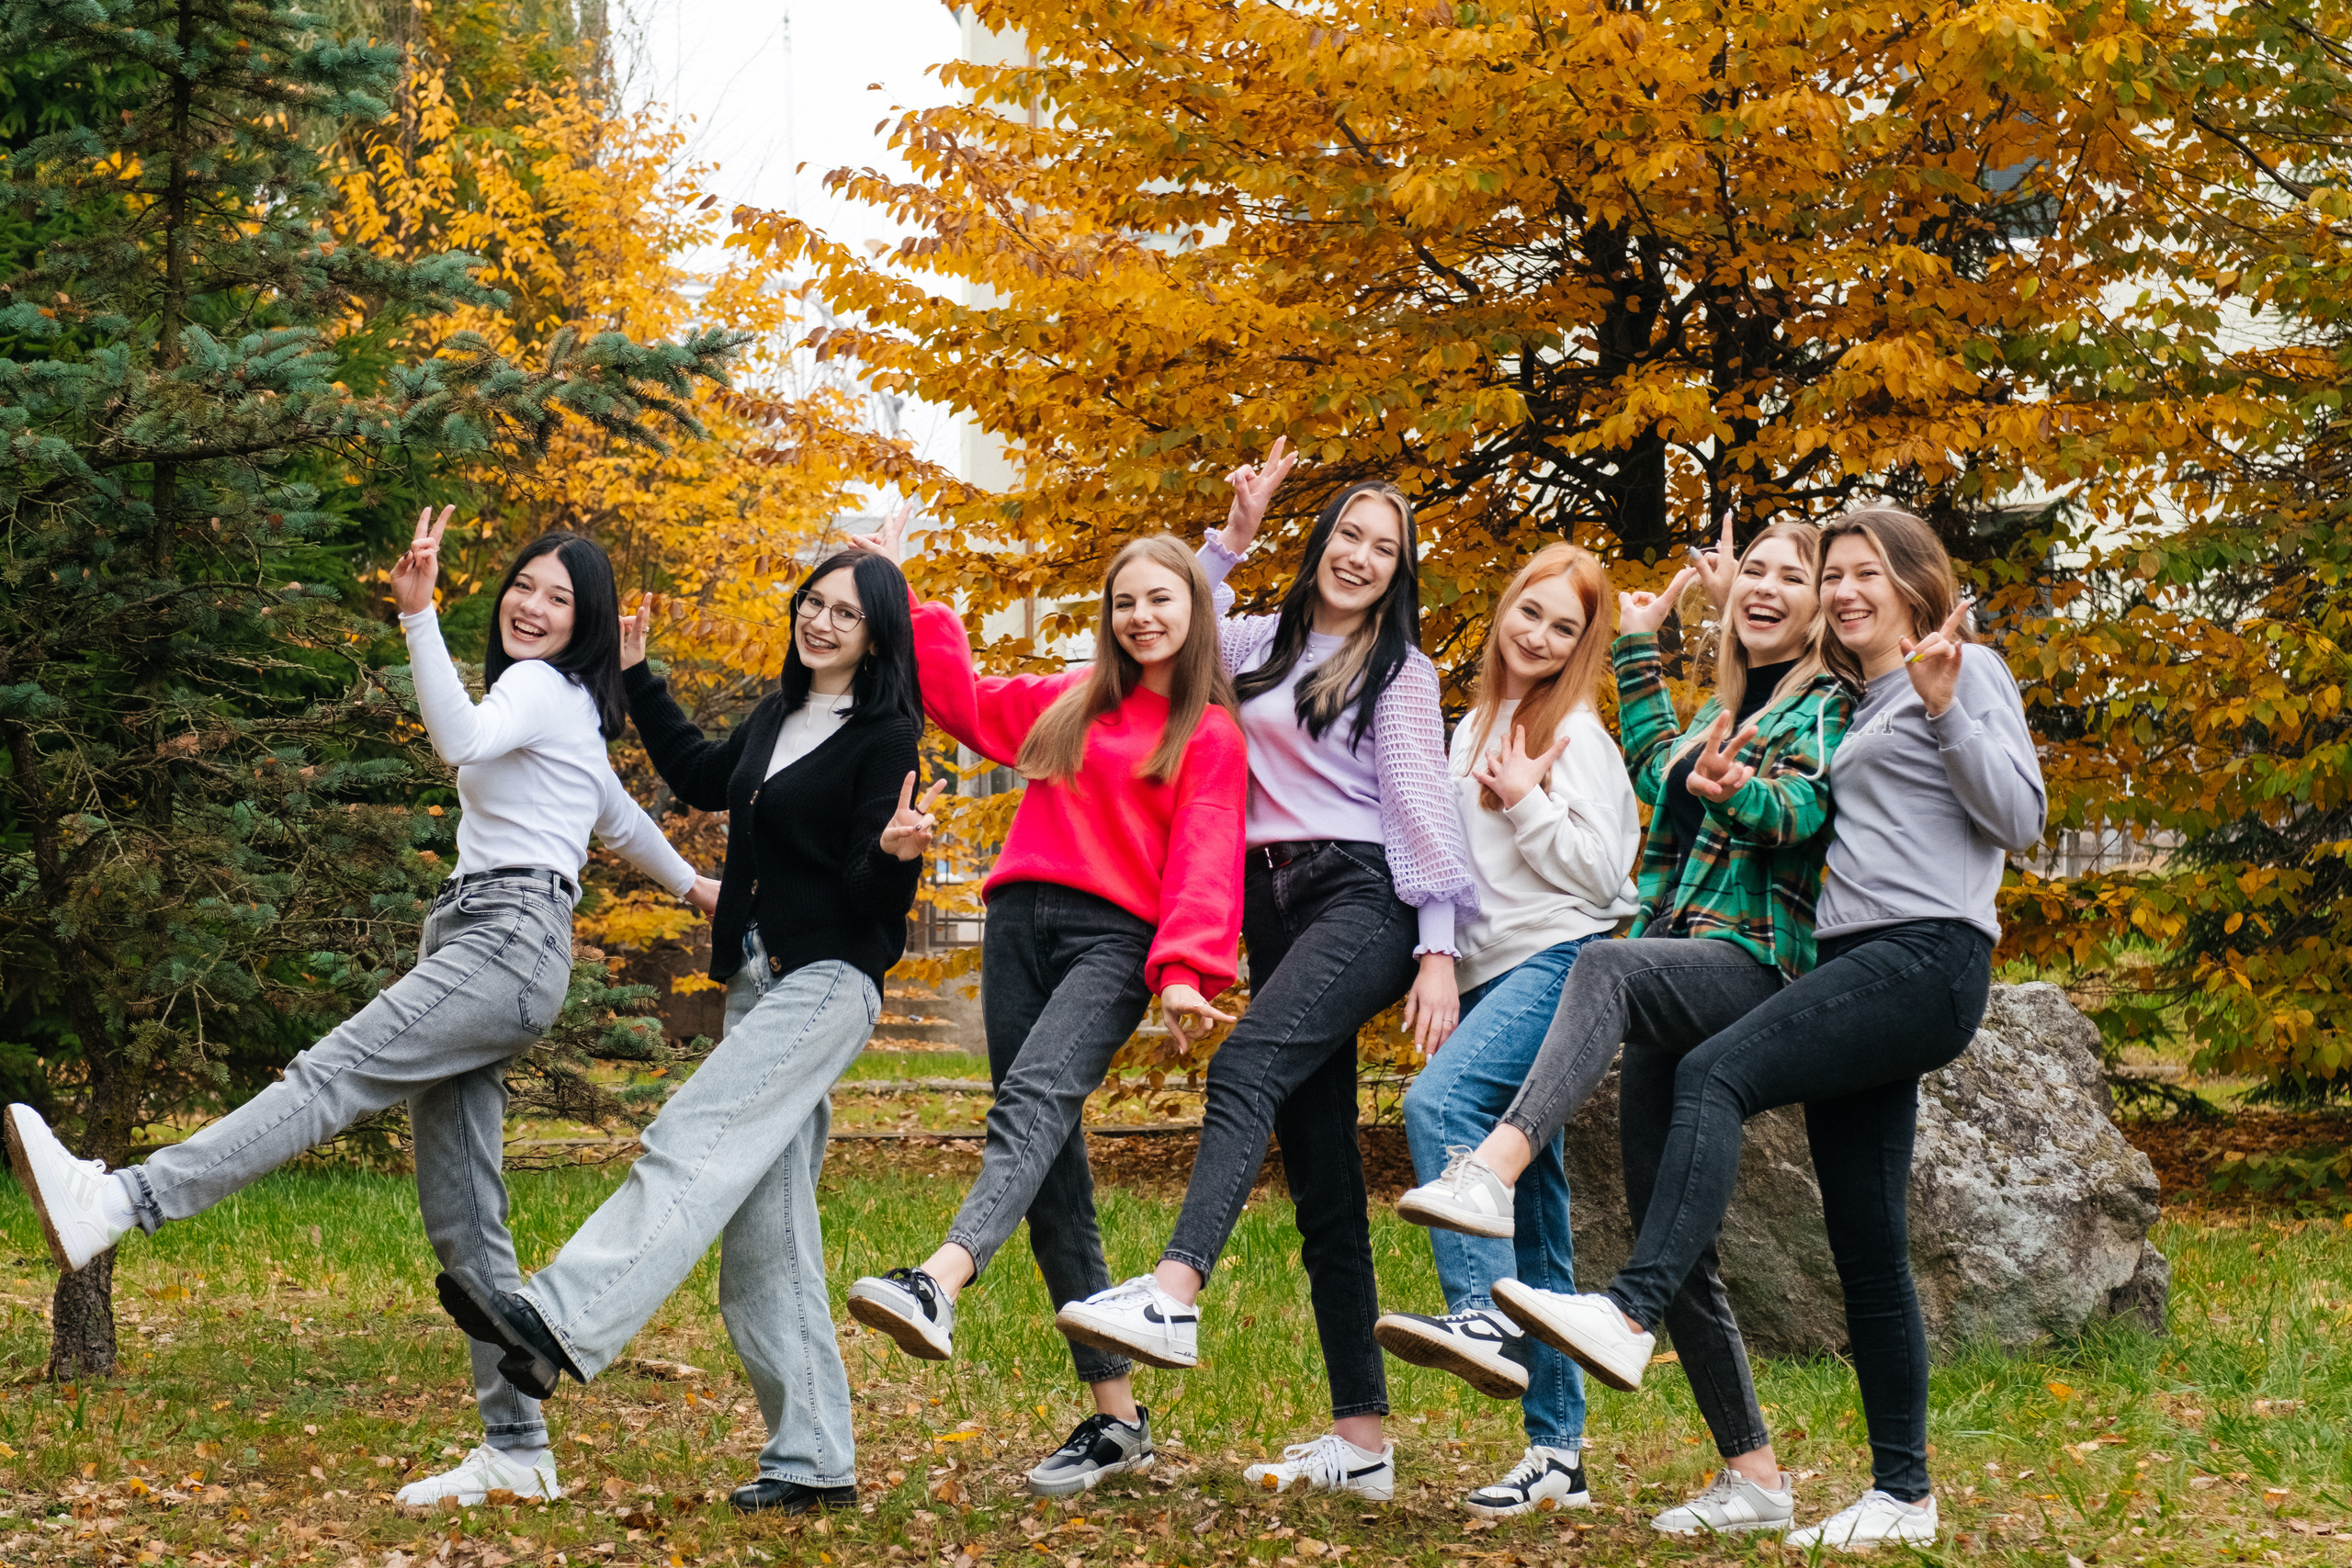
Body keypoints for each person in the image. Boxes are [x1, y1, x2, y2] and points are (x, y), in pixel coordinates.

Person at [4, 510, 718, 1507]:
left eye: (559, 598)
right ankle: (518, 1454)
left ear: (583, 624)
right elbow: (615, 813)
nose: (532, 605)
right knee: (468, 1223)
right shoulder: (570, 713)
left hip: (502, 940)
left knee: (327, 1076)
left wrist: (417, 618)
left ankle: (121, 1203)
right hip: (494, 943)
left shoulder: (535, 691)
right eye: (525, 585)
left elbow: (457, 737)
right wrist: (699, 889)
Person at [1489, 507, 2044, 1551]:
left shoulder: (1962, 673)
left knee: (1713, 1072)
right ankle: (1904, 1494)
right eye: (1833, 575)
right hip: (1854, 964)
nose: (1843, 591)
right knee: (1866, 1244)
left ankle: (1629, 1307)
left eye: (1862, 572)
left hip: (1925, 956)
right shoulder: (1855, 696)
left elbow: (2018, 820)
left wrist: (1947, 711)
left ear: (1916, 581)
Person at [428, 548, 939, 1516]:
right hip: (756, 984)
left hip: (825, 981)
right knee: (766, 1234)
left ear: (876, 638)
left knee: (691, 1138)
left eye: (846, 615)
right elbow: (703, 779)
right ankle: (814, 1460)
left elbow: (872, 902)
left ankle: (560, 1321)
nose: (821, 623)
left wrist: (896, 855)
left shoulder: (886, 736)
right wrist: (633, 677)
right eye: (813, 603)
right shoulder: (780, 717)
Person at [1394, 511, 1850, 1536]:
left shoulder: (1825, 703)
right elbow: (1659, 767)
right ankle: (1743, 1476)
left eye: (1794, 574)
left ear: (1824, 605)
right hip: (1665, 971)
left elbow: (1798, 814)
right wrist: (1646, 646)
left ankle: (1486, 1208)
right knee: (1667, 1247)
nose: (1769, 586)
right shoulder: (1720, 706)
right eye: (1756, 573)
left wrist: (1738, 794)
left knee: (1465, 1097)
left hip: (1736, 962)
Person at [1052, 442, 1478, 1504]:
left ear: (1400, 570)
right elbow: (1163, 616)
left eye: (1385, 549)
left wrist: (1435, 946)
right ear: (1321, 542)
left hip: (1362, 895)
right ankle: (1363, 1439)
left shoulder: (1402, 673)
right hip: (1270, 907)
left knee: (1243, 1072)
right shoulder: (1255, 642)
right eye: (1348, 536)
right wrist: (1230, 537)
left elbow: (1421, 809)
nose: (1362, 558)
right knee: (1324, 1173)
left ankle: (1172, 1291)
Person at [839, 527, 1249, 1500]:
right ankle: (1117, 1424)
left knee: (1030, 1101)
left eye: (1162, 601)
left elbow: (1205, 850)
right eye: (1125, 603)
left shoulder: (1208, 733)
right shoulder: (1068, 701)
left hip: (1112, 941)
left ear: (1193, 614)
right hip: (1017, 923)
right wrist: (900, 589)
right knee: (1052, 1164)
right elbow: (958, 697)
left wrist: (1187, 969)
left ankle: (938, 1277)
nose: (1141, 617)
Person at [1368, 543, 1640, 1518]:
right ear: (1504, 607)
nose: (1539, 635)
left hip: (1560, 966)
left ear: (1581, 645)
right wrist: (1434, 955)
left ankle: (1481, 1321)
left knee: (1440, 1105)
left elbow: (1608, 880)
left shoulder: (1576, 735)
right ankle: (1558, 1453)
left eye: (1563, 627)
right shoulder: (1475, 719)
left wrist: (1524, 800)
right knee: (1532, 1212)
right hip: (1488, 975)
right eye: (1530, 612)